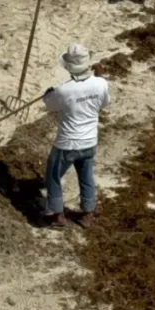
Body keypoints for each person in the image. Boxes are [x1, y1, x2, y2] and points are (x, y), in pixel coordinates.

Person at [41, 43, 110, 228]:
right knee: (86, 176)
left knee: (53, 176)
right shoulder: (101, 83)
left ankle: (57, 216)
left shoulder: (64, 90)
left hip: (67, 143)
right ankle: (87, 213)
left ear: (69, 67)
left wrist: (48, 94)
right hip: (89, 141)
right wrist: (99, 76)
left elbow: (49, 105)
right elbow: (104, 103)